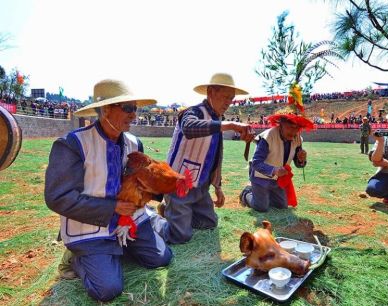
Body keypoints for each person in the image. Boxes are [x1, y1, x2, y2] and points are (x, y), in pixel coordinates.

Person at [44, 79, 173, 302]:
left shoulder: (134, 143)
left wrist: (157, 187)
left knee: (162, 258)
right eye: (128, 108)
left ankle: (120, 246)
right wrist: (112, 207)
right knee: (107, 289)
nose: (134, 114)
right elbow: (58, 198)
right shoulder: (73, 144)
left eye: (135, 108)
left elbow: (143, 181)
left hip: (131, 219)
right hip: (89, 227)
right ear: (105, 110)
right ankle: (76, 258)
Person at [159, 73, 254, 244]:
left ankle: (175, 212)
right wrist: (231, 125)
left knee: (209, 223)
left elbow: (215, 157)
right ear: (210, 92)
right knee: (180, 236)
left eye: (231, 99)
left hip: (200, 187)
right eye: (225, 97)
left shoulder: (217, 119)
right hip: (179, 184)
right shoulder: (192, 112)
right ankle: (155, 220)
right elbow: (189, 128)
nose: (228, 103)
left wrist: (217, 187)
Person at [239, 96, 314, 212]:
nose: (293, 131)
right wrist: (274, 170)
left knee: (281, 206)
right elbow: (256, 163)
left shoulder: (297, 138)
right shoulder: (267, 137)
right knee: (261, 207)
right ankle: (246, 193)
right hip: (260, 177)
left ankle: (264, 193)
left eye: (296, 128)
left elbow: (299, 164)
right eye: (290, 127)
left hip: (278, 180)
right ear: (281, 124)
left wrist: (301, 160)